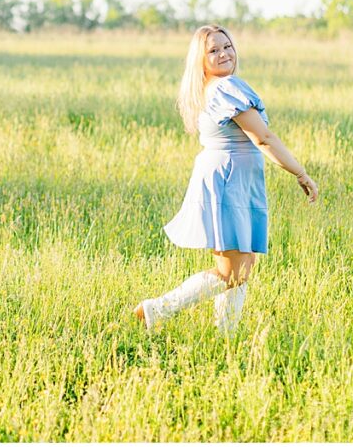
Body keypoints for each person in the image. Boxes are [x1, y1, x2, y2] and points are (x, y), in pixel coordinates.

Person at [134, 24, 319, 335]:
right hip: (228, 180)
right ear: (201, 60)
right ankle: (157, 309)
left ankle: (226, 334)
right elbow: (263, 137)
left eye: (227, 46)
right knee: (233, 270)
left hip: (235, 178)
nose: (223, 54)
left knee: (240, 266)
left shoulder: (217, 87)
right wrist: (300, 173)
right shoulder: (225, 88)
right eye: (213, 50)